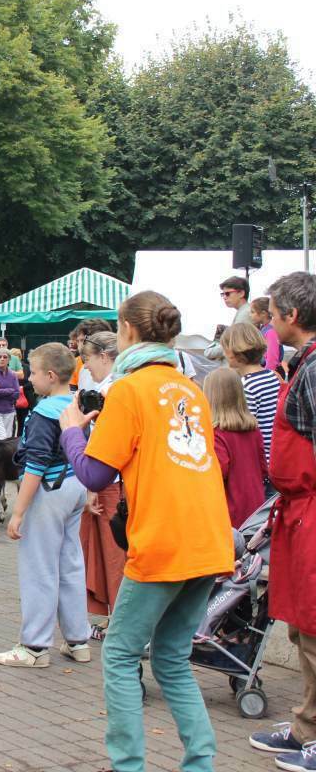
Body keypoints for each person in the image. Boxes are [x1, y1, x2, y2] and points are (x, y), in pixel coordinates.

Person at [58, 290, 233, 772]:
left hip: (162, 542)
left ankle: (127, 765)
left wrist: (73, 429)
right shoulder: (191, 389)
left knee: (118, 654)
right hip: (209, 541)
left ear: (128, 331)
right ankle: (200, 761)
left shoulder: (129, 390)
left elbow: (95, 474)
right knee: (173, 657)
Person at [245, 271, 316, 772]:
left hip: (312, 508)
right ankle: (306, 726)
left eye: (271, 316)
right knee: (302, 628)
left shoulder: (314, 371)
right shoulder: (303, 364)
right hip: (297, 509)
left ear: (291, 316)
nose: (268, 324)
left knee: (315, 627)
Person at [0, 342, 90, 668]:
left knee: (39, 569)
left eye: (33, 373)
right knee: (71, 564)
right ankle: (78, 641)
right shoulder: (77, 405)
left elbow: (34, 466)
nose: (29, 379)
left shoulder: (43, 414)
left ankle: (34, 647)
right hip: (76, 486)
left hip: (49, 491)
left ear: (50, 376)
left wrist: (18, 512)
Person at [75, 330, 124, 636]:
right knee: (103, 552)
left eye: (88, 359)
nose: (85, 366)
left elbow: (105, 445)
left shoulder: (114, 391)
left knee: (114, 553)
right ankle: (112, 616)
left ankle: (121, 621)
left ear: (104, 357)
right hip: (105, 483)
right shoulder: (108, 388)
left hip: (110, 485)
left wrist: (93, 485)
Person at [203, 368, 268, 528]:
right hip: (255, 508)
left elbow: (217, 473)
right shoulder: (253, 429)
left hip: (230, 512)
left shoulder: (216, 434)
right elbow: (263, 468)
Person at [221, 323, 281, 465]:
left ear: (232, 352)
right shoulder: (272, 376)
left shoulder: (246, 386)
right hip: (275, 457)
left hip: (258, 461)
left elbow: (245, 428)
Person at [205, 275, 254, 361]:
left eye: (228, 293)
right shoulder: (244, 311)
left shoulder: (245, 313)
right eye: (222, 294)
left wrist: (210, 351)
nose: (224, 297)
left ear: (241, 293)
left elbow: (235, 344)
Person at [250, 296, 283, 372]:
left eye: (252, 312)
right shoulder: (264, 328)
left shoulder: (271, 331)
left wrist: (267, 374)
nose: (250, 315)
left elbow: (272, 358)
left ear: (263, 313)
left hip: (273, 372)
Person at [12, 348, 35, 436]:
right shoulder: (8, 368)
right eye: (13, 356)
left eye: (17, 356)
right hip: (13, 397)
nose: (15, 358)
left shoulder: (27, 367)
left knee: (22, 420)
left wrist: (22, 387)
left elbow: (31, 382)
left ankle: (21, 437)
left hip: (26, 397)